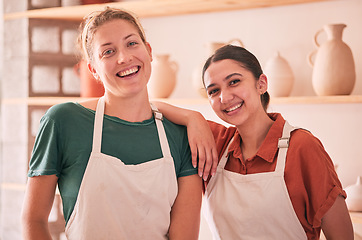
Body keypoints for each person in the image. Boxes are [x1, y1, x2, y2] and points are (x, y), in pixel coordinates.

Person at [21, 7, 216, 240]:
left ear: (149, 51)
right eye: (108, 52)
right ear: (93, 69)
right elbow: (34, 220)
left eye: (132, 44)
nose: (124, 58)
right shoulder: (63, 122)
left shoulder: (182, 136)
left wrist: (193, 117)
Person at [155, 45, 354, 239]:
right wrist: (193, 117)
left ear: (261, 84)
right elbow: (146, 108)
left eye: (234, 82)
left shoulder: (303, 147)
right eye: (213, 91)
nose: (224, 97)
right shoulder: (215, 142)